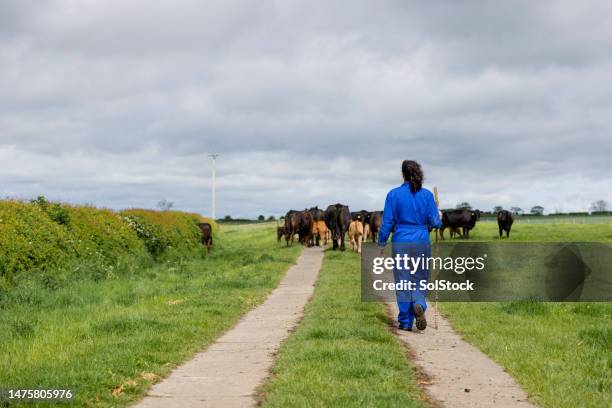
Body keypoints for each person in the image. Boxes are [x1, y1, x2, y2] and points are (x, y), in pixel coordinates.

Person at [377, 160, 442, 331]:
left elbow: (387, 222)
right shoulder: (427, 195)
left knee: (403, 280)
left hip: (401, 240)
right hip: (421, 239)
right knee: (420, 277)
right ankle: (419, 303)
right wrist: (438, 215)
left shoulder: (393, 194)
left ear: (402, 174)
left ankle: (406, 321)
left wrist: (382, 242)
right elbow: (435, 223)